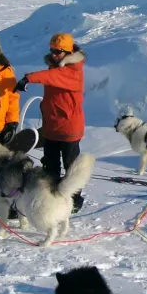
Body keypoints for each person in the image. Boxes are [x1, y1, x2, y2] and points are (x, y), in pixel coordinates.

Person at [14, 32, 86, 212]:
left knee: (71, 166)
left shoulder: (73, 71)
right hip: (51, 127)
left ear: (68, 53)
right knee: (50, 165)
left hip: (69, 128)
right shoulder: (56, 69)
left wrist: (28, 78)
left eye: (59, 51)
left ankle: (75, 199)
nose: (54, 54)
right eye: (52, 50)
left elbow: (51, 77)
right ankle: (52, 197)